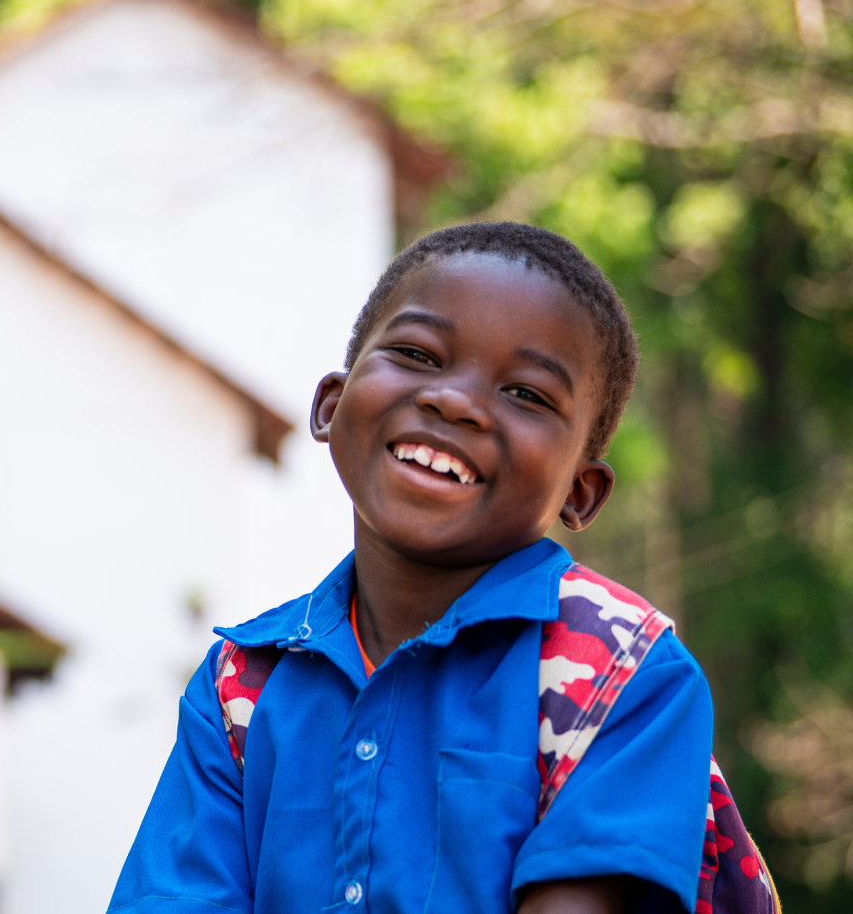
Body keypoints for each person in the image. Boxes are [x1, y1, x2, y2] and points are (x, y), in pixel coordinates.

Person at [108, 223, 712, 914]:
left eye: (527, 395)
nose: (453, 401)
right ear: (332, 406)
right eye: (417, 354)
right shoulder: (240, 686)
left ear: (581, 490)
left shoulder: (623, 672)